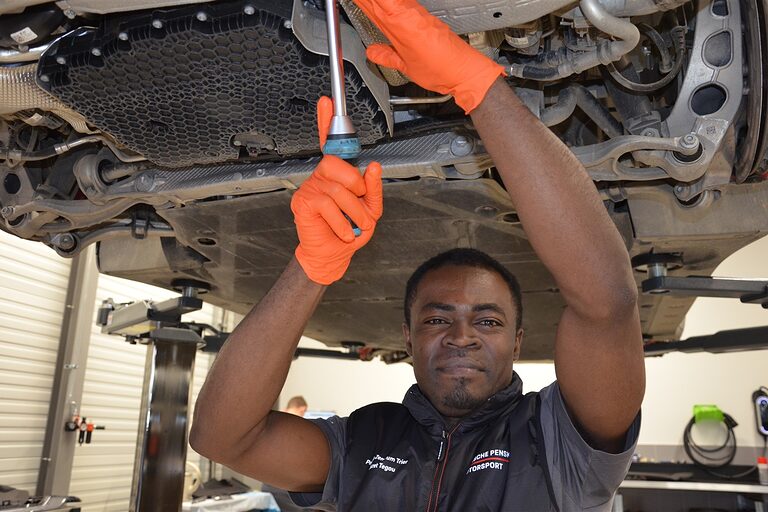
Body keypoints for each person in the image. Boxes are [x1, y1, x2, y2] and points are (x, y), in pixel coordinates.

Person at [190, 0, 645, 510]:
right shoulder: (364, 441)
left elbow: (608, 303)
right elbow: (223, 439)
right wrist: (312, 265)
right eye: (436, 318)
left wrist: (481, 87)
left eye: (489, 321)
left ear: (518, 342)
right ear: (408, 337)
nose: (461, 336)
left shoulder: (560, 443)